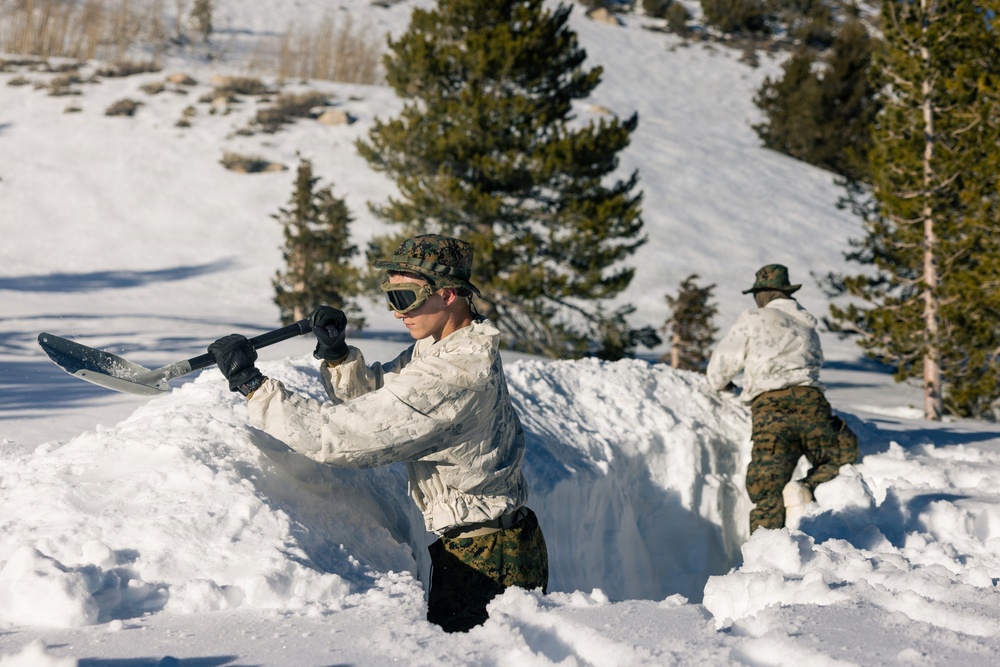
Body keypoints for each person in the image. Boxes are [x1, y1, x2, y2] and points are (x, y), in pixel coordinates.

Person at [207, 233, 548, 633]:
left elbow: (346, 437)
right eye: (389, 296)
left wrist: (253, 386)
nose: (396, 312)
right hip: (485, 544)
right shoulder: (445, 347)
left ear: (448, 294)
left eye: (405, 297)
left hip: (486, 560)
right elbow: (381, 400)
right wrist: (338, 355)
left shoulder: (455, 373)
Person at [706, 264, 858, 533]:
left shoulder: (753, 318)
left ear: (764, 293)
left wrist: (725, 386)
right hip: (812, 404)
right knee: (839, 456)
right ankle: (805, 488)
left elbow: (720, 369)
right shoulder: (807, 324)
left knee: (767, 488)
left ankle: (766, 551)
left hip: (771, 409)